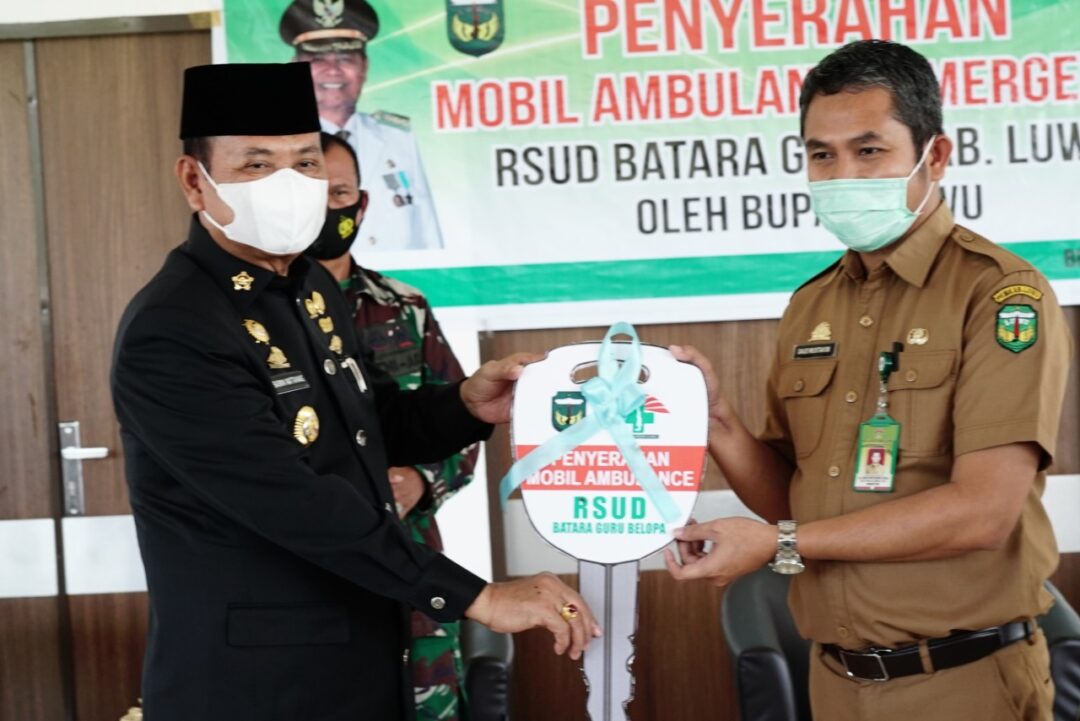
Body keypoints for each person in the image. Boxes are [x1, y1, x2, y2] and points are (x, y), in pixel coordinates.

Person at [110, 62, 599, 721]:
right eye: (257, 165)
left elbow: (366, 423)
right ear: (194, 180)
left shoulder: (310, 287)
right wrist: (478, 596)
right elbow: (291, 498)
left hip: (359, 658)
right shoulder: (175, 326)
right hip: (255, 687)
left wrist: (464, 404)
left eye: (306, 162)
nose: (289, 183)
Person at [665, 40, 1070, 720]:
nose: (842, 173)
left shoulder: (1000, 295)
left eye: (869, 150)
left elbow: (984, 511)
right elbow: (792, 498)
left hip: (963, 682)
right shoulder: (812, 305)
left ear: (934, 157)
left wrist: (783, 545)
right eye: (822, 155)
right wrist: (717, 423)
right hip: (836, 682)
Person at [305, 131, 479, 720]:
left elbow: (461, 423)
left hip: (413, 568)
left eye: (340, 194)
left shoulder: (403, 307)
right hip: (313, 573)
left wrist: (422, 481)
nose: (328, 208)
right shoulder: (264, 318)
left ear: (362, 204)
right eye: (313, 194)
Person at [280, 0, 444, 251]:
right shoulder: (277, 144)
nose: (332, 71)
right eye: (318, 59)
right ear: (295, 68)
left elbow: (427, 229)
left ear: (364, 67)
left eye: (345, 58)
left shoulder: (397, 137)